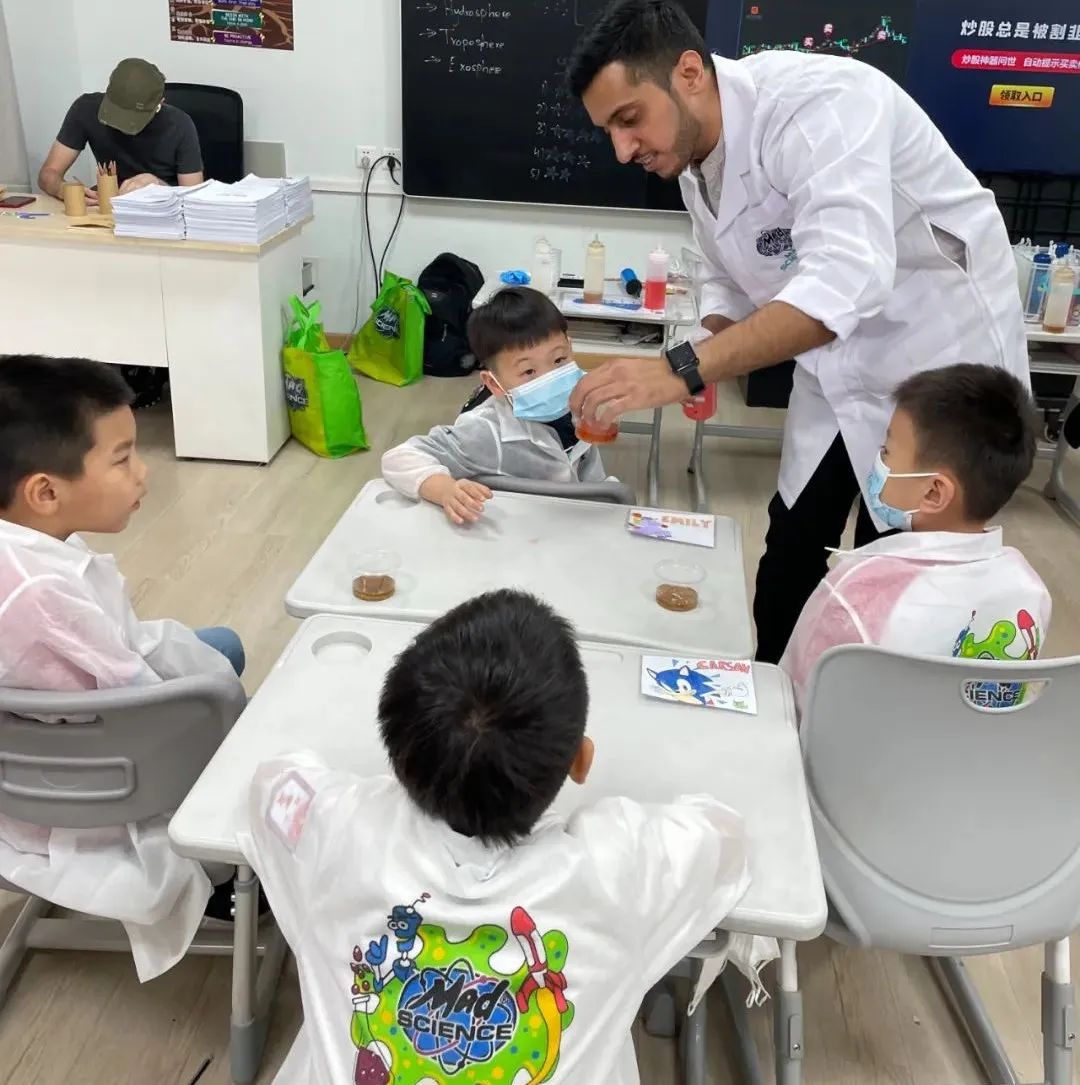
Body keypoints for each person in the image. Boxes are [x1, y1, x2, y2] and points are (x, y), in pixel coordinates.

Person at [566, 0, 1030, 663]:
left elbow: (847, 279)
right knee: (790, 548)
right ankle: (774, 694)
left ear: (689, 73)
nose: (622, 149)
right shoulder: (693, 155)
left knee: (897, 570)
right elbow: (727, 274)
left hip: (937, 356)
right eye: (608, 130)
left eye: (629, 119)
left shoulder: (820, 105)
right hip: (834, 364)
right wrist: (711, 350)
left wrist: (683, 367)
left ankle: (860, 709)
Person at [241, 589, 754, 1084]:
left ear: (398, 758)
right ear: (581, 761)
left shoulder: (340, 831)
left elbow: (272, 783)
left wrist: (371, 797)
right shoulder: (618, 868)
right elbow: (725, 836)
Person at [0, 354, 246, 981]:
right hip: (75, 792)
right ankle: (228, 882)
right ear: (45, 492)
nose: (144, 471)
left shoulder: (27, 547)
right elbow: (147, 710)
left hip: (32, 744)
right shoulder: (39, 595)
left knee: (219, 648)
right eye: (122, 458)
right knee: (223, 695)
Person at [780, 364, 1050, 717]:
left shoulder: (857, 592)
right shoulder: (1031, 590)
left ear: (934, 492)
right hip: (968, 750)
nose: (879, 463)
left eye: (886, 451)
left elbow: (792, 702)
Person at [381, 287, 612, 524]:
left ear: (570, 348)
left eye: (559, 359)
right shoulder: (486, 431)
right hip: (523, 529)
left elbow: (594, 482)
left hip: (575, 523)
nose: (550, 378)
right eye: (528, 371)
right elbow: (400, 457)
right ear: (494, 383)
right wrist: (445, 489)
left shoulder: (577, 406)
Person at [38, 58, 204, 202]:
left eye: (133, 118)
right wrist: (64, 190)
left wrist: (159, 186)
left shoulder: (179, 125)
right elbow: (48, 174)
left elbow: (194, 198)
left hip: (162, 209)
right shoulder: (86, 109)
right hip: (108, 206)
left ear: (159, 104)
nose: (123, 127)